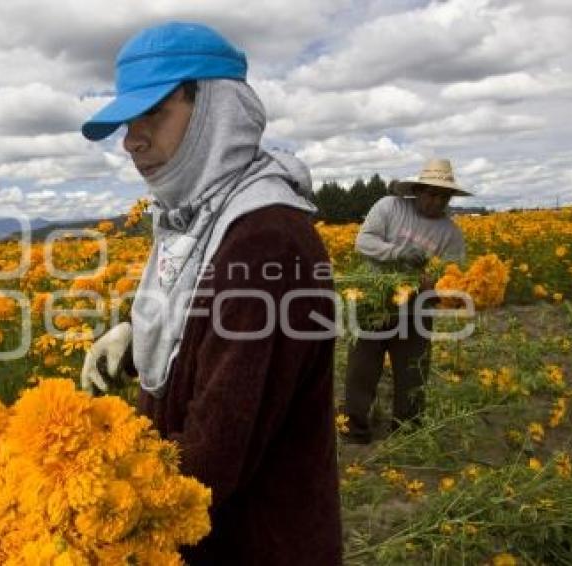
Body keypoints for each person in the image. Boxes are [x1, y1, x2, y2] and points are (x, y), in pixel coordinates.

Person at [79, 22, 342, 565]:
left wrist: (90, 506)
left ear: (215, 113)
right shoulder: (195, 217)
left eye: (155, 112)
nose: (132, 140)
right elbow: (198, 324)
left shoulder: (265, 241)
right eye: (129, 120)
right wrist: (134, 334)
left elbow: (215, 454)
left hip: (250, 540)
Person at [342, 158, 471, 444]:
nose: (437, 201)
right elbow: (363, 242)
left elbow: (454, 278)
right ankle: (356, 430)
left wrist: (433, 287)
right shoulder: (389, 207)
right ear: (418, 190)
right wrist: (398, 252)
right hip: (373, 303)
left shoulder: (451, 233)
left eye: (444, 196)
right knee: (360, 372)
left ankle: (406, 435)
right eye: (431, 193)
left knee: (413, 375)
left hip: (415, 313)